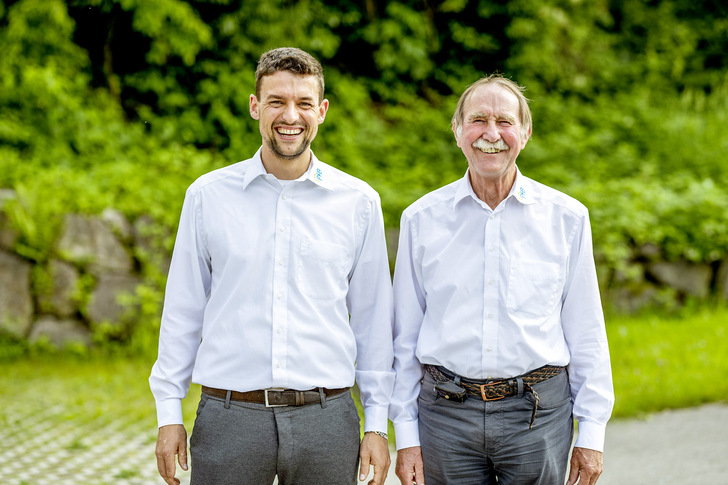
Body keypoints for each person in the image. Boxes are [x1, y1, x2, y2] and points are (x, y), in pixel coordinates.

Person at [150, 47, 394, 485]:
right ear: (254, 106)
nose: (290, 116)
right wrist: (169, 413)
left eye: (303, 103)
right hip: (229, 419)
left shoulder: (359, 203)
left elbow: (374, 322)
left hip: (328, 420)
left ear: (321, 111)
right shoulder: (207, 196)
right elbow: (182, 311)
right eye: (277, 101)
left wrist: (376, 423)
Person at [389, 74, 615, 485]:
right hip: (444, 417)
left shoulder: (566, 218)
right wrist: (405, 435)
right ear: (457, 131)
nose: (491, 133)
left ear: (525, 133)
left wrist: (592, 433)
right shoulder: (420, 220)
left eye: (505, 121)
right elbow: (404, 337)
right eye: (477, 119)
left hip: (538, 417)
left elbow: (586, 331)